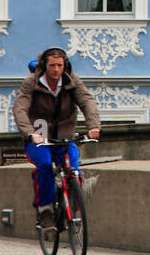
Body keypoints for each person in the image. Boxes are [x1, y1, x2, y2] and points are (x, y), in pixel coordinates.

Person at [12, 47, 101, 232]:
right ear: (45, 66)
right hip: (40, 136)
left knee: (74, 170)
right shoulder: (32, 83)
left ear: (65, 66)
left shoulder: (71, 81)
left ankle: (73, 209)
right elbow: (20, 108)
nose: (56, 70)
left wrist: (93, 126)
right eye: (52, 65)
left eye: (59, 65)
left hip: (65, 136)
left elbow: (86, 101)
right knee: (44, 165)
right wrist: (29, 133)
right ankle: (45, 210)